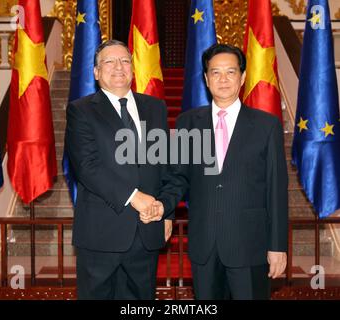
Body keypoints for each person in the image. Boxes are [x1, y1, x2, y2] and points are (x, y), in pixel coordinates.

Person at [151, 43, 288, 300]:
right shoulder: (188, 122)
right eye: (215, 72)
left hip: (249, 245)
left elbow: (276, 189)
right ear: (205, 78)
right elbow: (177, 176)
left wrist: (278, 246)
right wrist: (164, 209)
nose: (223, 79)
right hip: (205, 246)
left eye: (230, 72)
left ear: (243, 77)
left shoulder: (266, 125)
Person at [65, 40, 173, 300]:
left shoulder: (155, 107)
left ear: (133, 69)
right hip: (101, 233)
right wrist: (135, 197)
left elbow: (166, 165)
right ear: (96, 72)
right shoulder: (80, 110)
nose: (118, 67)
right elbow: (87, 167)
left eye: (124, 61)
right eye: (109, 62)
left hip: (146, 231)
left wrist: (166, 210)